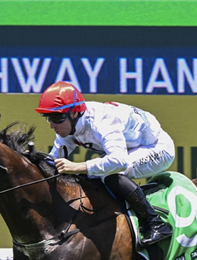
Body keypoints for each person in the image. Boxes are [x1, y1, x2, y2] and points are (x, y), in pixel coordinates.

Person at [35, 81, 175, 247]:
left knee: (109, 174)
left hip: (157, 147)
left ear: (74, 113)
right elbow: (51, 161)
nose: (52, 125)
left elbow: (119, 161)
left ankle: (156, 223)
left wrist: (77, 166)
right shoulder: (69, 125)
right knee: (93, 176)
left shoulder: (103, 121)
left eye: (56, 118)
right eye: (49, 118)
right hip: (131, 147)